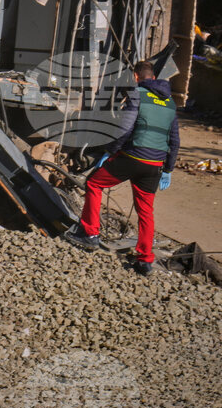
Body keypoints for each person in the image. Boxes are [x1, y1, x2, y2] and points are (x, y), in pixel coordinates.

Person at [63, 60, 180, 275]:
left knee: (94, 183)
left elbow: (125, 129)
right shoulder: (170, 103)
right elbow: (174, 140)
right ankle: (145, 260)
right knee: (146, 210)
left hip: (132, 157)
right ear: (153, 78)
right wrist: (168, 170)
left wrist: (109, 151)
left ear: (136, 77)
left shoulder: (137, 94)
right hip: (155, 165)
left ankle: (90, 233)